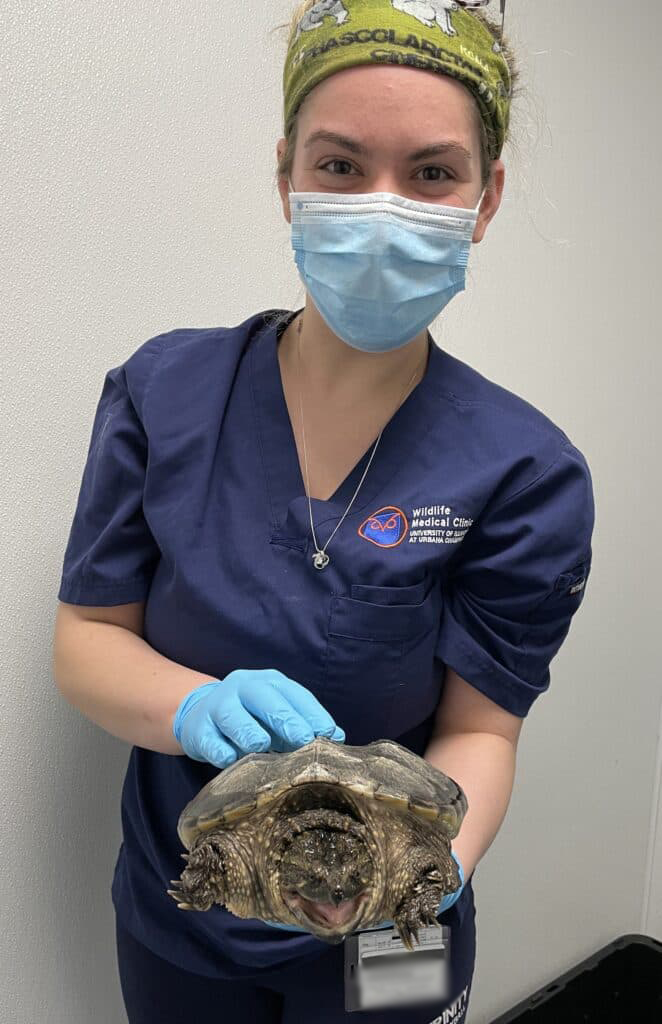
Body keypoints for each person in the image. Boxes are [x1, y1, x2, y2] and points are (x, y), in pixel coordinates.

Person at [52, 2, 595, 1021]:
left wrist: (417, 875)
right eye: (339, 166)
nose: (382, 208)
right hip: (187, 903)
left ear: (484, 200)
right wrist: (189, 707)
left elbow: (483, 729)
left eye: (432, 172)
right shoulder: (162, 393)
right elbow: (87, 639)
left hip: (391, 922)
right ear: (285, 178)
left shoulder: (524, 468)